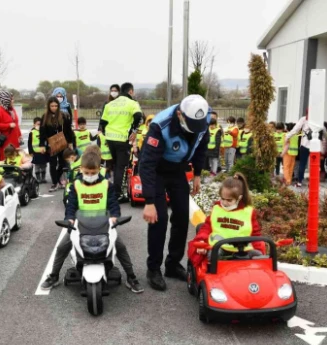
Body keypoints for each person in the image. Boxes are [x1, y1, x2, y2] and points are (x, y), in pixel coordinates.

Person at [40, 151, 143, 293]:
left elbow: (113, 204)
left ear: (98, 169)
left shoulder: (107, 184)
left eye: (93, 172)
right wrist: (69, 219)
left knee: (120, 247)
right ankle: (54, 275)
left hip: (103, 224)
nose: (89, 175)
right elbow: (71, 205)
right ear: (81, 169)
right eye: (87, 172)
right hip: (80, 224)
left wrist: (114, 216)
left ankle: (131, 277)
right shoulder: (76, 185)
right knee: (62, 247)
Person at [139, 94, 209, 291]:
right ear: (180, 114)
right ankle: (153, 268)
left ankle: (172, 264)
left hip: (178, 169)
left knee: (181, 216)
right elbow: (147, 165)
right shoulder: (160, 126)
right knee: (158, 219)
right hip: (158, 170)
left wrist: (197, 173)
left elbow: (202, 145)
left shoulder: (202, 120)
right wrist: (149, 201)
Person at [187, 173, 264, 268]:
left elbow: (255, 234)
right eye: (222, 199)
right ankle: (214, 278)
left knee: (260, 257)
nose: (224, 203)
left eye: (229, 200)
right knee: (213, 255)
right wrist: (202, 241)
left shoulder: (248, 212)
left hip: (243, 249)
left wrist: (260, 250)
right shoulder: (217, 209)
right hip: (220, 247)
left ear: (239, 198)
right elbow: (206, 228)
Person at [100, 82, 143, 202]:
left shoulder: (110, 104)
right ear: (131, 91)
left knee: (115, 165)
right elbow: (139, 117)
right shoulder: (133, 103)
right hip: (123, 139)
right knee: (121, 167)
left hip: (110, 138)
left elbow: (102, 122)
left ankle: (115, 189)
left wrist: (107, 135)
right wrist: (134, 131)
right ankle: (118, 194)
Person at [41, 97, 75, 192]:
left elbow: (68, 130)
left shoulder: (63, 115)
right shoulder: (45, 116)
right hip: (51, 143)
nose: (54, 107)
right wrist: (42, 145)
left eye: (56, 106)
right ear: (48, 106)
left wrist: (70, 142)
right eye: (52, 106)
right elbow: (42, 131)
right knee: (52, 163)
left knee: (63, 162)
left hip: (62, 141)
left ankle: (57, 178)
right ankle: (55, 183)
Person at [285, 116, 316, 187]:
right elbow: (323, 132)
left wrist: (287, 136)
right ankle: (311, 183)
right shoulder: (318, 118)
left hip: (305, 145)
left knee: (302, 164)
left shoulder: (304, 119)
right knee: (313, 165)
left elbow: (296, 129)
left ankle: (299, 182)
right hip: (315, 146)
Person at [0, 90, 21, 160]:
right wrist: (8, 125)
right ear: (6, 100)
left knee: (16, 159)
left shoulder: (12, 110)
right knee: (6, 159)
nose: (13, 101)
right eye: (11, 99)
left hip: (15, 140)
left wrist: (20, 135)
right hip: (6, 141)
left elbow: (16, 124)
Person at [28, 117, 49, 183]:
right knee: (37, 165)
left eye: (40, 124)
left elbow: (47, 141)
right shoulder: (32, 132)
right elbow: (29, 143)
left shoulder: (44, 131)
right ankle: (38, 178)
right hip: (36, 152)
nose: (39, 126)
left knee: (44, 165)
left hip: (43, 152)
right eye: (38, 124)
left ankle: (43, 178)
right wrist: (30, 151)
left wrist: (47, 149)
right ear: (34, 124)